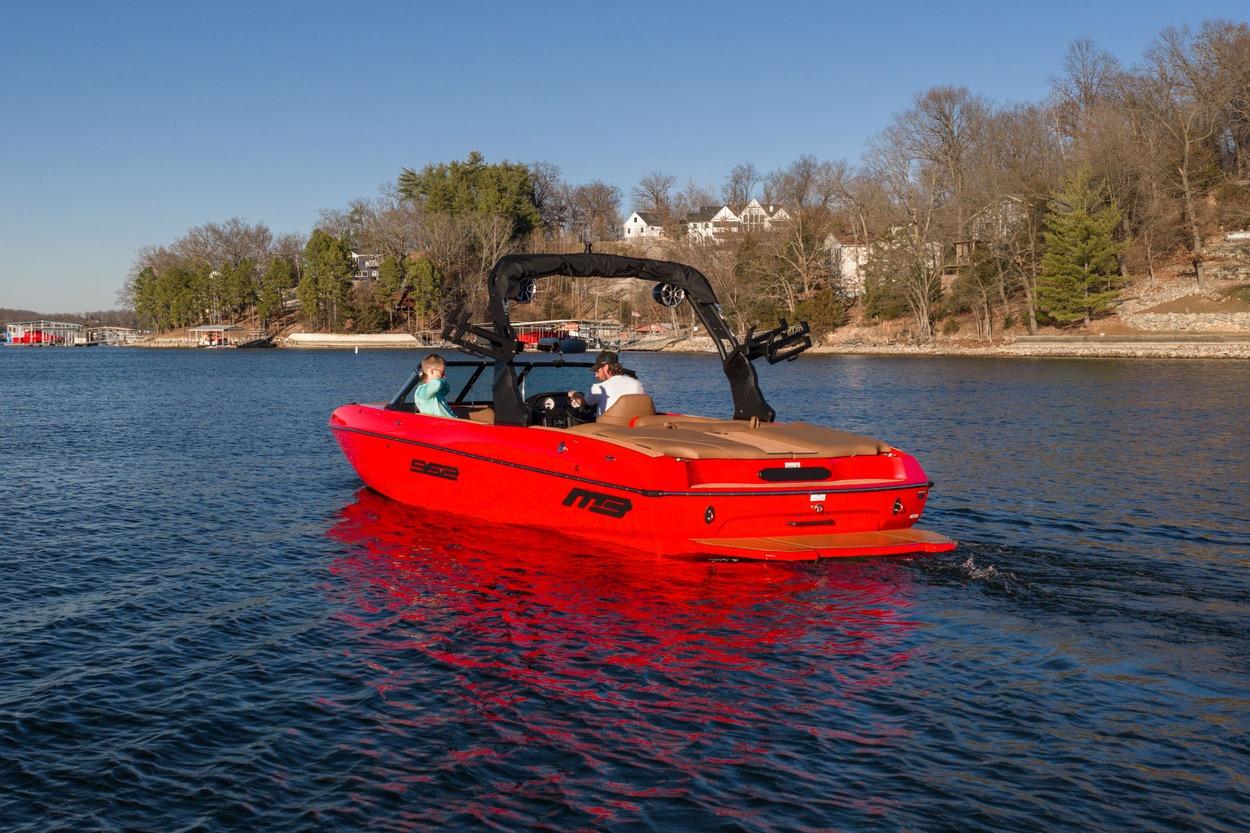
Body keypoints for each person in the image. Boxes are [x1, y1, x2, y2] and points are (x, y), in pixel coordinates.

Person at [568, 351, 645, 416]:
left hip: (607, 428)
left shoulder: (600, 388)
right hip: (633, 429)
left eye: (597, 371)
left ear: (606, 367)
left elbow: (582, 401)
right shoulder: (637, 384)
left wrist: (574, 394)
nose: (596, 375)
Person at [413, 353, 457, 418]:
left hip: (452, 422)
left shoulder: (435, 391)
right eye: (442, 373)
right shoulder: (422, 391)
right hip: (442, 425)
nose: (444, 376)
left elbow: (447, 390)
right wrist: (440, 379)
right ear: (430, 371)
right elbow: (436, 384)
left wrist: (441, 379)